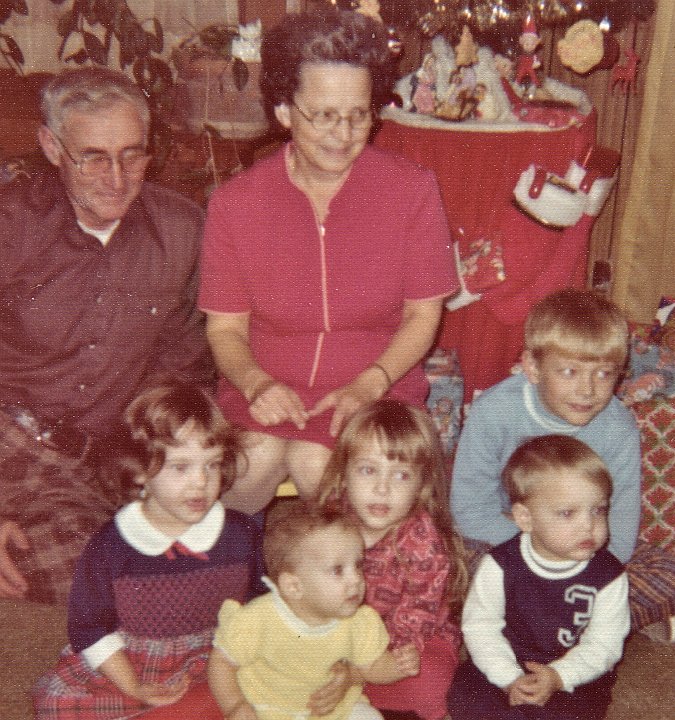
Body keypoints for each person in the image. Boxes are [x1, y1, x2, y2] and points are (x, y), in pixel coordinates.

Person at [199, 10, 457, 513]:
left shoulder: (412, 190)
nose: (344, 134)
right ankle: (243, 577)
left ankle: (371, 581)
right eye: (323, 115)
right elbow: (224, 331)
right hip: (265, 390)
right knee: (247, 469)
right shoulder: (235, 203)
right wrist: (256, 384)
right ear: (283, 112)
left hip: (380, 386)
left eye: (359, 114)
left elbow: (424, 315)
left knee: (323, 466)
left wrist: (369, 384)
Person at [0, 67, 214, 604]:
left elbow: (182, 370)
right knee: (99, 579)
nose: (115, 177)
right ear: (52, 146)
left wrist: (153, 469)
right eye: (92, 156)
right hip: (10, 440)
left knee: (157, 572)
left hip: (103, 456)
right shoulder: (11, 225)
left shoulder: (184, 232)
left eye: (131, 154)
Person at [450, 287, 675, 633]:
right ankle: (579, 624)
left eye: (603, 373)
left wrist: (587, 568)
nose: (587, 390)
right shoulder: (493, 412)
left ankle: (550, 621)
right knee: (453, 565)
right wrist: (545, 552)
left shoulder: (618, 427)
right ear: (533, 367)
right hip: (508, 539)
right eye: (569, 372)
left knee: (669, 572)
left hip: (585, 545)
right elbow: (469, 511)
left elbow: (622, 521)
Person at [33, 381, 262, 720]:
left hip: (217, 660)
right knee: (54, 701)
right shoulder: (111, 545)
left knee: (273, 687)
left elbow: (260, 606)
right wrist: (133, 686)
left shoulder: (241, 533)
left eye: (212, 465)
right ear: (139, 472)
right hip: (133, 664)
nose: (201, 481)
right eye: (181, 467)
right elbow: (90, 627)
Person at [447, 435, 630, 719]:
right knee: (465, 695)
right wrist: (507, 677)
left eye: (598, 510)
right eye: (567, 513)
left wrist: (559, 676)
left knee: (573, 710)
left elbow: (603, 644)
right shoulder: (500, 565)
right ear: (525, 518)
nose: (588, 525)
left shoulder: (609, 576)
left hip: (573, 674)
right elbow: (480, 627)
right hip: (507, 660)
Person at [318, 398, 467, 720]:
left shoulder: (423, 540)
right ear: (343, 475)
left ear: (420, 486)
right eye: (368, 470)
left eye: (400, 476)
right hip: (343, 631)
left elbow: (417, 615)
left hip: (411, 639)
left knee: (427, 678)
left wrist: (369, 666)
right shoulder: (329, 521)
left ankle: (364, 687)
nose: (381, 488)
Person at [207, 499, 420, 720]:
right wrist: (234, 705)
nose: (356, 579)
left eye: (357, 565)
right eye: (338, 570)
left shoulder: (359, 620)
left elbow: (372, 666)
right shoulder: (260, 618)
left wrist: (396, 666)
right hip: (270, 710)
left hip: (334, 710)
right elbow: (222, 662)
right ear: (294, 586)